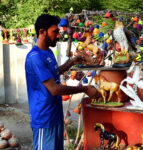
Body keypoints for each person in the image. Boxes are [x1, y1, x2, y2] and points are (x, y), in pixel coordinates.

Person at [25, 14, 100, 150]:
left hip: (55, 117)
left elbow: (53, 72)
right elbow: (54, 89)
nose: (58, 36)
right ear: (42, 32)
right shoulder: (35, 57)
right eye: (55, 32)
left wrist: (71, 62)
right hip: (44, 121)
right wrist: (85, 89)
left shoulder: (48, 52)